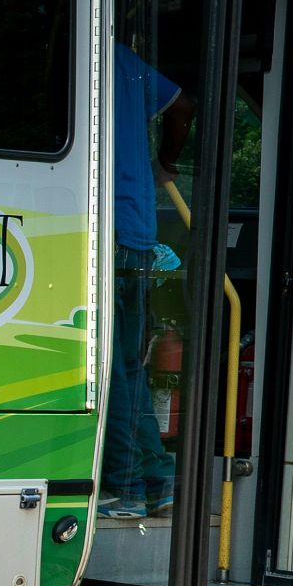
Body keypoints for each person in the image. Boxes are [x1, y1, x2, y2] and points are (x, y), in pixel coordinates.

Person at [103, 40, 194, 519]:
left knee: (110, 368)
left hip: (104, 233)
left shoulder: (87, 49)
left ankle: (125, 487)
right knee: (133, 367)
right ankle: (158, 481)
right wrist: (164, 165)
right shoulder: (126, 61)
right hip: (138, 231)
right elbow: (182, 105)